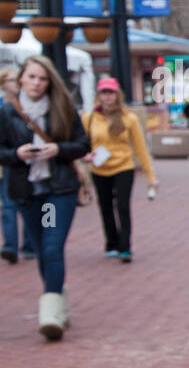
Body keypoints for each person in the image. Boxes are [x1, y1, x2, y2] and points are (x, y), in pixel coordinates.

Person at [0, 54, 90, 339]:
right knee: (40, 249)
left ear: (49, 81)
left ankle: (49, 311)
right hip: (27, 191)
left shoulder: (62, 107)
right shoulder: (7, 113)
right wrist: (16, 154)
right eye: (31, 77)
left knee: (51, 246)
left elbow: (83, 144)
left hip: (56, 190)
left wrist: (58, 150)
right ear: (21, 79)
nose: (36, 83)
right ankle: (57, 299)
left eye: (42, 78)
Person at [82, 76, 158, 262]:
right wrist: (85, 156)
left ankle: (125, 248)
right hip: (99, 169)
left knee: (123, 207)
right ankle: (111, 243)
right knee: (105, 207)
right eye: (104, 93)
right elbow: (83, 144)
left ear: (118, 95)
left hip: (123, 166)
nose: (108, 97)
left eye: (111, 93)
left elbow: (140, 148)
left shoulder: (128, 118)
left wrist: (151, 175)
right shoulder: (89, 118)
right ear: (99, 95)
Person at [0, 66, 37, 263]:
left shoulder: (31, 104)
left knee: (31, 202)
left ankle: (31, 245)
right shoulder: (4, 108)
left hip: (33, 160)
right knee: (8, 205)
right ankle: (10, 247)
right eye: (11, 80)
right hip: (10, 160)